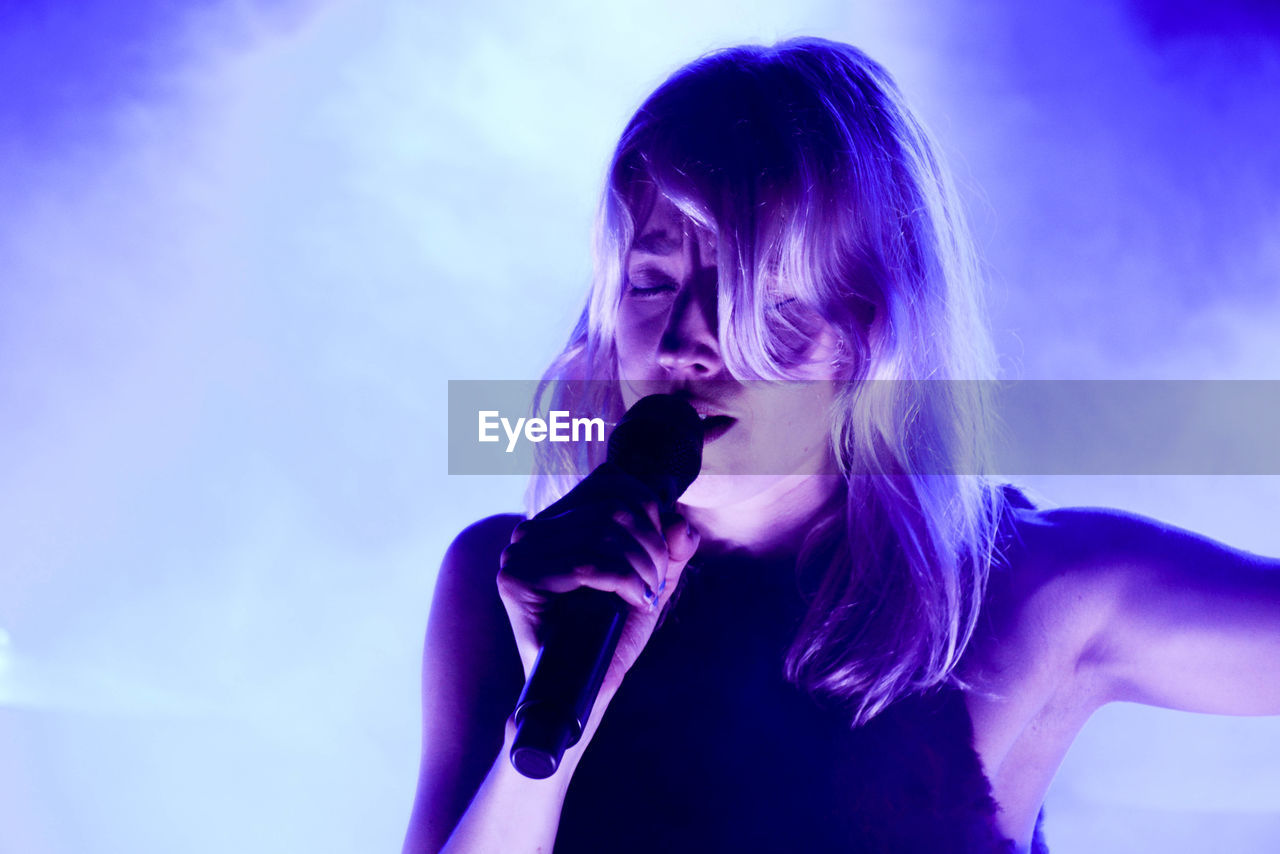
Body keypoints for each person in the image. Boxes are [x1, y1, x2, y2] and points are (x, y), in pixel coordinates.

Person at [403, 38, 1280, 854]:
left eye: (761, 295)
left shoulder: (1031, 592)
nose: (682, 343)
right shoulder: (505, 581)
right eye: (651, 280)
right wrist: (551, 719)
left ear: (867, 329)